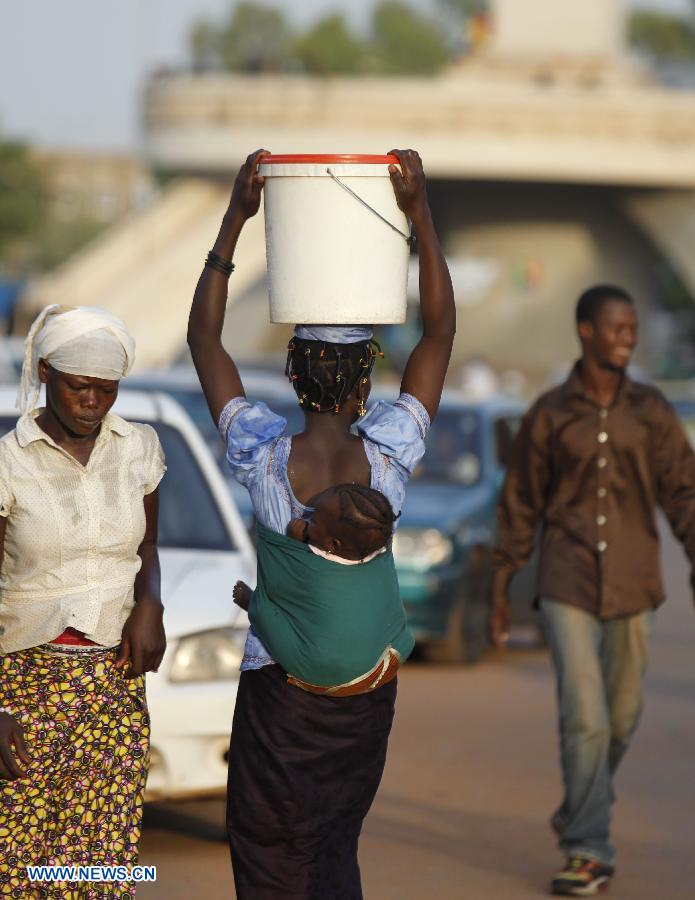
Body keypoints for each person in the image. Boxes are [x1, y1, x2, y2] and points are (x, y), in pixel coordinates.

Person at [188, 148, 455, 899]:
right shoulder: (392, 456)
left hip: (280, 695)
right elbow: (438, 336)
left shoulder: (260, 454)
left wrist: (237, 219)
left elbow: (205, 342)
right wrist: (420, 216)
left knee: (269, 845)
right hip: (363, 700)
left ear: (295, 376)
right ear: (367, 381)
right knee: (335, 844)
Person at [489, 285, 695, 897]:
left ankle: (578, 806)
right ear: (586, 330)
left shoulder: (651, 410)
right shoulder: (548, 413)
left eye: (634, 328)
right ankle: (588, 848)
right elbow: (519, 503)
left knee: (621, 719)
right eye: (618, 327)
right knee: (585, 718)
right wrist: (501, 584)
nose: (629, 337)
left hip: (635, 581)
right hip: (565, 579)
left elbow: (687, 494)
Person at [0, 305, 166, 898]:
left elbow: (149, 545)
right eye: (78, 386)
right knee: (20, 860)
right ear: (46, 373)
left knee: (101, 857)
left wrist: (152, 606)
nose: (93, 401)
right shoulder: (8, 461)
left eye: (106, 388)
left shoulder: (138, 448)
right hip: (22, 685)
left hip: (112, 685)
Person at [232, 483, 413, 696]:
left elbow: (285, 587)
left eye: (314, 521)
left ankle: (250, 603)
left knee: (265, 610)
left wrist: (294, 540)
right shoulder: (377, 557)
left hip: (322, 669)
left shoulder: (313, 568)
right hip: (386, 660)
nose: (307, 522)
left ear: (332, 545)